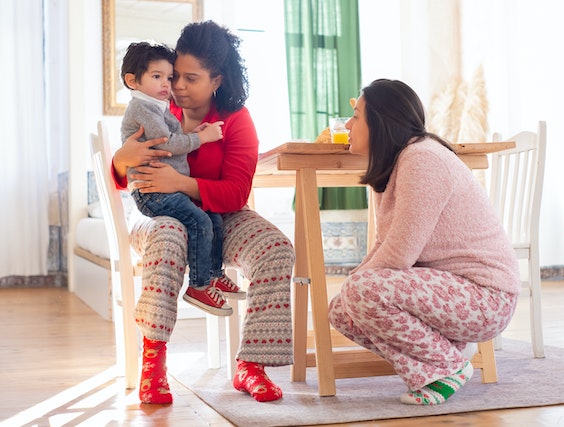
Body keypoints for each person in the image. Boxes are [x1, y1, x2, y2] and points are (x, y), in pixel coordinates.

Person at [112, 21, 295, 405]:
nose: (176, 85)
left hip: (220, 213)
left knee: (276, 248)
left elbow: (236, 192)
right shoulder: (155, 105)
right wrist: (121, 161)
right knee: (170, 234)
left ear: (217, 80)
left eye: (190, 78)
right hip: (156, 215)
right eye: (175, 75)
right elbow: (121, 178)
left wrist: (181, 184)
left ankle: (251, 366)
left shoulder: (236, 120)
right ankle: (154, 362)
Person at [327, 79, 520, 406]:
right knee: (341, 311)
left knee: (359, 293)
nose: (348, 124)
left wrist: (356, 284)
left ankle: (450, 366)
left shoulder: (422, 157)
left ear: (380, 122)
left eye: (356, 116)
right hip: (450, 290)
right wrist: (353, 285)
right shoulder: (394, 166)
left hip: (487, 296)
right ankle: (445, 357)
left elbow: (399, 254)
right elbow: (384, 245)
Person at [119, 41, 239, 317]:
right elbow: (168, 144)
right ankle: (198, 286)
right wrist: (203, 137)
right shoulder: (141, 109)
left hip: (170, 190)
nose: (167, 84)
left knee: (212, 217)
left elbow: (174, 133)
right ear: (132, 81)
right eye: (157, 77)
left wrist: (196, 130)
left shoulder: (157, 106)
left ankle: (213, 273)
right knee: (199, 221)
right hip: (153, 192)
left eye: (169, 77)